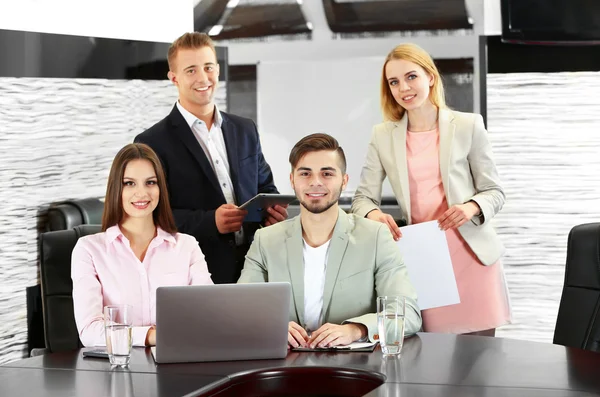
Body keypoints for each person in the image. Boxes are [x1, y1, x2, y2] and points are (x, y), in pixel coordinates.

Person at [352, 43, 511, 336]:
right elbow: (362, 199)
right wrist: (373, 214)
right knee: (431, 360)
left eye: (411, 76)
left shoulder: (468, 125)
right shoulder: (383, 135)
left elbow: (494, 191)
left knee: (481, 365)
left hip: (472, 256)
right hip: (424, 258)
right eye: (394, 82)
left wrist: (470, 207)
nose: (404, 88)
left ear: (430, 77)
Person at [238, 133, 421, 348]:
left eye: (327, 173)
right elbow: (242, 309)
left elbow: (407, 314)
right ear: (292, 180)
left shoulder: (375, 237)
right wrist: (271, 325)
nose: (315, 182)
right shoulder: (265, 240)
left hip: (354, 368)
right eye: (305, 173)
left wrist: (356, 330)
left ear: (344, 181)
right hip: (285, 365)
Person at [135, 32, 287, 284]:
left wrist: (273, 213)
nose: (203, 78)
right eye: (191, 70)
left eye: (208, 68)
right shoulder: (151, 142)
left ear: (217, 69)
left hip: (257, 267)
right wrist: (210, 222)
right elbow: (150, 216)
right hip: (194, 272)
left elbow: (265, 187)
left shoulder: (245, 128)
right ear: (174, 78)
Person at [72, 143, 213, 348]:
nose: (141, 193)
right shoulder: (88, 250)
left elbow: (208, 317)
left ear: (160, 188)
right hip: (117, 369)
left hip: (178, 367)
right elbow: (90, 332)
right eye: (129, 183)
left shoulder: (187, 246)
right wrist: (151, 336)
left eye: (150, 182)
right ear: (116, 189)